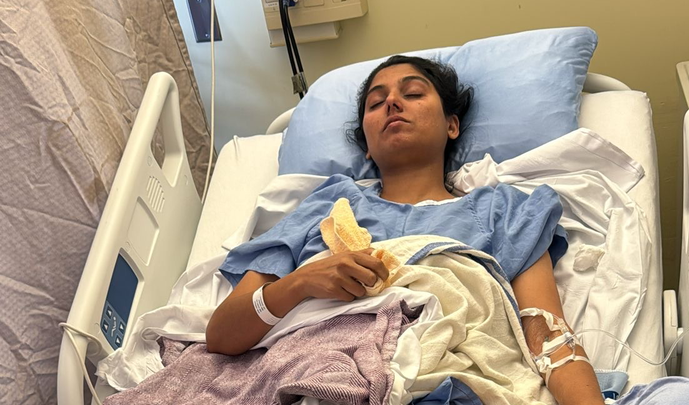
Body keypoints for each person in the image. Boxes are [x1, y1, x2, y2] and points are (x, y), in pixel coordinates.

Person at [206, 55, 605, 405]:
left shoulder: (505, 210)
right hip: (310, 376)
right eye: (376, 103)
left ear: (451, 125)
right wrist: (301, 282)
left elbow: (548, 336)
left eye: (413, 93)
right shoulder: (327, 206)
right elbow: (222, 334)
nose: (392, 103)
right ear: (366, 145)